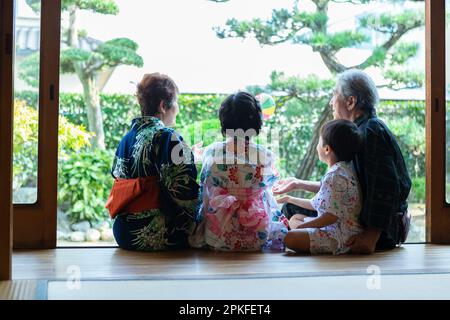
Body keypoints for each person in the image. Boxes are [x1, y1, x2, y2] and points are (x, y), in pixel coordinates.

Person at [274, 69, 412, 254]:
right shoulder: (359, 130)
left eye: (335, 94)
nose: (331, 102)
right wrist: (298, 183)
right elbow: (342, 187)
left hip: (381, 231)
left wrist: (371, 236)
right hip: (359, 221)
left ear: (351, 101)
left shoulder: (371, 131)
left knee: (290, 212)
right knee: (291, 208)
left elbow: (386, 187)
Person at [107, 73, 199, 251]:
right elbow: (184, 192)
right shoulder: (168, 137)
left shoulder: (126, 138)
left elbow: (119, 174)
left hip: (123, 232)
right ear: (163, 105)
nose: (178, 109)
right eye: (176, 103)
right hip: (157, 231)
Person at [189, 92, 289, 251]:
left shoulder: (212, 152)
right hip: (256, 235)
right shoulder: (266, 155)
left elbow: (205, 189)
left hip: (217, 236)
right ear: (257, 122)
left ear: (223, 122)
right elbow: (269, 193)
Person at [277, 119, 364, 255]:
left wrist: (303, 227)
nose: (317, 146)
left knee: (289, 237)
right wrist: (289, 199)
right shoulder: (343, 170)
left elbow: (330, 217)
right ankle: (307, 239)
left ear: (327, 149)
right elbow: (318, 204)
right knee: (295, 218)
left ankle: (331, 247)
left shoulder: (335, 176)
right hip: (336, 226)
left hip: (340, 234)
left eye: (319, 141)